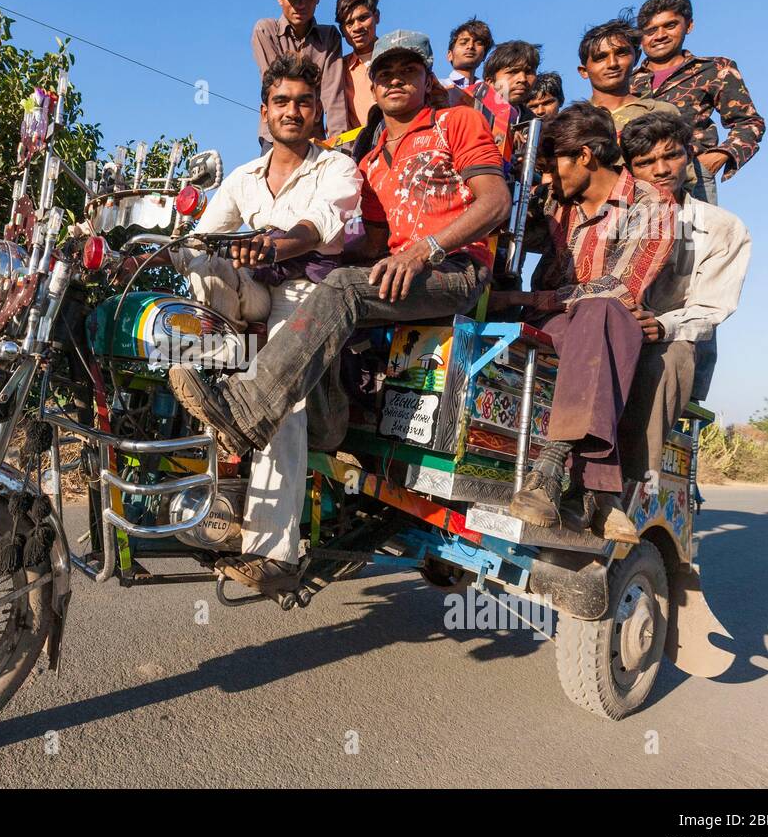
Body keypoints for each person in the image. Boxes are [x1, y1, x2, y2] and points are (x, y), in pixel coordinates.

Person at [167, 30, 511, 592]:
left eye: (409, 70)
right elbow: (367, 242)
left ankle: (248, 412)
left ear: (428, 78)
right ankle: (222, 444)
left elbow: (494, 202)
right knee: (309, 292)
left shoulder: (455, 123)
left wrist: (425, 249)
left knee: (337, 295)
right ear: (371, 86)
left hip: (450, 271)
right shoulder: (371, 157)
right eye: (386, 72)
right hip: (376, 278)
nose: (397, 79)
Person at [121, 54, 361, 579]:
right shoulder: (243, 176)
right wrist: (138, 256)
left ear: (318, 110)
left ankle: (272, 553)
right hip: (250, 295)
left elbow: (318, 225)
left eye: (302, 102)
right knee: (203, 261)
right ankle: (213, 375)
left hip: (307, 294)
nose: (292, 111)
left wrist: (274, 247)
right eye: (281, 102)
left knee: (284, 396)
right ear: (264, 112)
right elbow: (197, 242)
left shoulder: (337, 168)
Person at [490, 103, 678, 541]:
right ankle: (602, 494)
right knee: (592, 314)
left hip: (608, 325)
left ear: (586, 157)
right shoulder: (554, 202)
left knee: (602, 310)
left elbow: (621, 289)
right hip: (555, 326)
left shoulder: (651, 205)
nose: (549, 179)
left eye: (554, 166)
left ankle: (551, 466)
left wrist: (524, 296)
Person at [616, 111, 751, 478]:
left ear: (689, 155)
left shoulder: (721, 227)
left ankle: (632, 481)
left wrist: (660, 326)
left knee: (674, 355)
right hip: (606, 325)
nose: (660, 170)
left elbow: (709, 308)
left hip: (662, 336)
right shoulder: (610, 216)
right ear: (629, 168)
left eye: (670, 156)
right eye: (646, 162)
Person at [631, 0, 766, 203]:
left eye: (670, 25)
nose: (660, 35)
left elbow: (749, 122)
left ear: (689, 26)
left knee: (696, 235)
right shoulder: (627, 81)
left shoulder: (715, 69)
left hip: (692, 178)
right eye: (650, 30)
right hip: (635, 184)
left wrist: (718, 156)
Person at [251, 0, 350, 150]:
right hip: (275, 138)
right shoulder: (265, 31)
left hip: (316, 140)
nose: (301, 4)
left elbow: (333, 94)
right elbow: (278, 86)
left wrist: (342, 146)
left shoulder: (329, 36)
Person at [577, 15, 682, 134]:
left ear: (636, 57)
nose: (612, 63)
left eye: (621, 53)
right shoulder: (572, 121)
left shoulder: (661, 113)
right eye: (600, 58)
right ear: (584, 71)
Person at [336, 0, 381, 131]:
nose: (357, 27)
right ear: (342, 31)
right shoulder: (338, 71)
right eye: (349, 23)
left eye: (363, 18)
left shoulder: (400, 57)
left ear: (377, 16)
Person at [482, 39, 541, 113]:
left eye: (528, 72)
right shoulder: (471, 111)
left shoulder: (536, 123)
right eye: (513, 72)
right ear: (490, 82)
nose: (522, 79)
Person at [444, 17, 494, 89]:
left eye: (478, 43)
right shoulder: (437, 88)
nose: (470, 46)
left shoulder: (490, 94)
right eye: (463, 43)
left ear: (484, 55)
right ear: (450, 55)